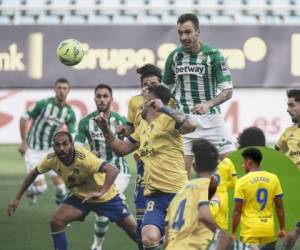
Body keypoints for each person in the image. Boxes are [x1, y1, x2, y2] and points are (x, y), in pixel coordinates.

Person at [94, 84, 197, 250]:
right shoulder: (142, 126)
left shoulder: (169, 120)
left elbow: (192, 124)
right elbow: (122, 149)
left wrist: (165, 109)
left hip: (178, 193)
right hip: (155, 196)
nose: (140, 104)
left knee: (178, 243)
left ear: (153, 103)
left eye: (145, 100)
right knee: (148, 239)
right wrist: (106, 130)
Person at [7, 131, 137, 250]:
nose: (61, 148)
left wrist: (101, 192)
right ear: (53, 147)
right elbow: (33, 173)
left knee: (138, 236)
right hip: (80, 198)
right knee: (56, 221)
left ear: (72, 145)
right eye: (58, 145)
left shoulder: (84, 158)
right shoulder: (51, 159)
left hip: (107, 198)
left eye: (65, 144)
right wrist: (17, 198)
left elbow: (112, 170)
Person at [163, 13, 236, 176]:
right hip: (185, 123)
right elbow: (164, 91)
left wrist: (208, 104)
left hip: (212, 121)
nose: (184, 37)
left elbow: (228, 91)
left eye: (188, 32)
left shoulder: (214, 56)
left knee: (232, 172)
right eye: (180, 33)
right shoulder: (174, 57)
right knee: (180, 179)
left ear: (197, 32)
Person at [117, 64, 176, 249]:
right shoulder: (135, 102)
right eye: (146, 84)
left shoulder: (170, 103)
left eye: (153, 84)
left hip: (167, 165)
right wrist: (122, 131)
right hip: (144, 165)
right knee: (143, 226)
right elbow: (131, 128)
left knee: (171, 228)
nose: (149, 87)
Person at [75, 84, 130, 250]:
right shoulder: (86, 122)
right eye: (99, 96)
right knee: (103, 212)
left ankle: (97, 245)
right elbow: (77, 148)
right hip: (98, 173)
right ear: (94, 99)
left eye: (105, 96)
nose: (102, 99)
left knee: (103, 207)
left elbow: (130, 143)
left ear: (111, 99)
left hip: (119, 172)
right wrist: (88, 154)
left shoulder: (120, 121)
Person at [165, 138, 233, 250]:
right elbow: (204, 214)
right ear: (217, 165)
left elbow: (167, 234)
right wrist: (224, 233)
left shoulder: (180, 192)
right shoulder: (210, 187)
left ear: (194, 166)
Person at [18, 78, 76, 204]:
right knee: (41, 188)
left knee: (61, 188)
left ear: (68, 91)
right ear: (54, 89)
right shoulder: (43, 105)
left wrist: (70, 150)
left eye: (64, 88)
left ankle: (62, 218)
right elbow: (23, 118)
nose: (62, 91)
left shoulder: (69, 112)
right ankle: (30, 191)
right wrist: (23, 141)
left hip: (50, 152)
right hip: (33, 151)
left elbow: (72, 135)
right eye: (59, 88)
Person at [232, 147, 286, 249]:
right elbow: (279, 207)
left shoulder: (242, 181)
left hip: (250, 231)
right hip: (268, 229)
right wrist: (282, 228)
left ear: (249, 162)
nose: (242, 165)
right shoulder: (273, 178)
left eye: (243, 162)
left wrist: (234, 232)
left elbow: (237, 211)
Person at [276, 89, 300, 170]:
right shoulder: (288, 131)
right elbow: (274, 156)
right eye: (288, 106)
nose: (288, 110)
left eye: (292, 105)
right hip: (293, 180)